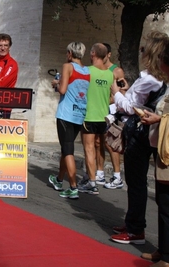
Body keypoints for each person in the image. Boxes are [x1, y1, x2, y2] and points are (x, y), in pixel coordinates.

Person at [110, 31, 169, 245]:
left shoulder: (149, 79)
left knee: (136, 182)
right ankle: (134, 223)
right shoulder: (160, 79)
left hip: (139, 133)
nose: (141, 52)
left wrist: (116, 92)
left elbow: (131, 107)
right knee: (140, 183)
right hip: (153, 135)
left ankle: (135, 229)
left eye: (144, 49)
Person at [139, 38, 169, 267]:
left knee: (167, 205)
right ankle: (163, 249)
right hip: (162, 149)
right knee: (162, 202)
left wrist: (159, 118)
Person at [48, 42, 90, 199]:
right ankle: (59, 180)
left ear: (70, 53)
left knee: (68, 150)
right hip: (79, 114)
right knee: (66, 149)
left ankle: (73, 187)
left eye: (67, 53)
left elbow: (63, 89)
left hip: (66, 114)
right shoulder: (86, 70)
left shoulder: (68, 66)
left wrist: (56, 83)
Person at [78, 43, 114, 195]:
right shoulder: (110, 74)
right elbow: (112, 97)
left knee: (89, 149)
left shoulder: (87, 71)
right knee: (99, 148)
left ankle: (92, 183)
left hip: (89, 116)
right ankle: (90, 176)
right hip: (103, 117)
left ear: (93, 54)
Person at [99, 43, 126, 189]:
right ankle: (100, 173)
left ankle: (117, 177)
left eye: (103, 53)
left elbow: (122, 94)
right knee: (99, 142)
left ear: (109, 54)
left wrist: (107, 101)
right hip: (98, 110)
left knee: (112, 144)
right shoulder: (97, 70)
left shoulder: (117, 71)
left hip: (111, 112)